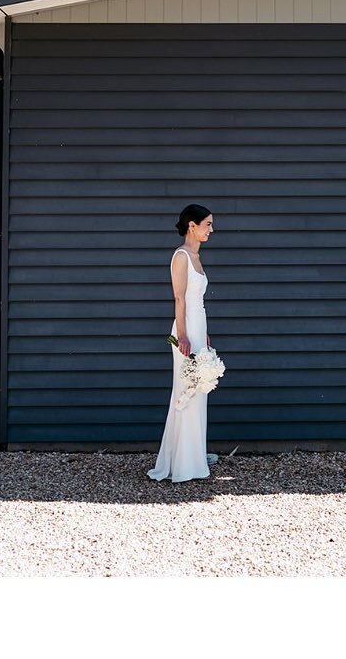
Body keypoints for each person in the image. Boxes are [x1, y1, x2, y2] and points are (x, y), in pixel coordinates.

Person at [148, 203, 214, 483]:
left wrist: (205, 333)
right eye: (207, 224)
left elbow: (198, 301)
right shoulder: (181, 257)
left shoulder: (197, 257)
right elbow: (180, 298)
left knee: (200, 391)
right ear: (192, 226)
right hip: (186, 329)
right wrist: (184, 335)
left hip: (200, 327)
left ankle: (195, 457)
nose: (211, 229)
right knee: (187, 390)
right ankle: (182, 463)